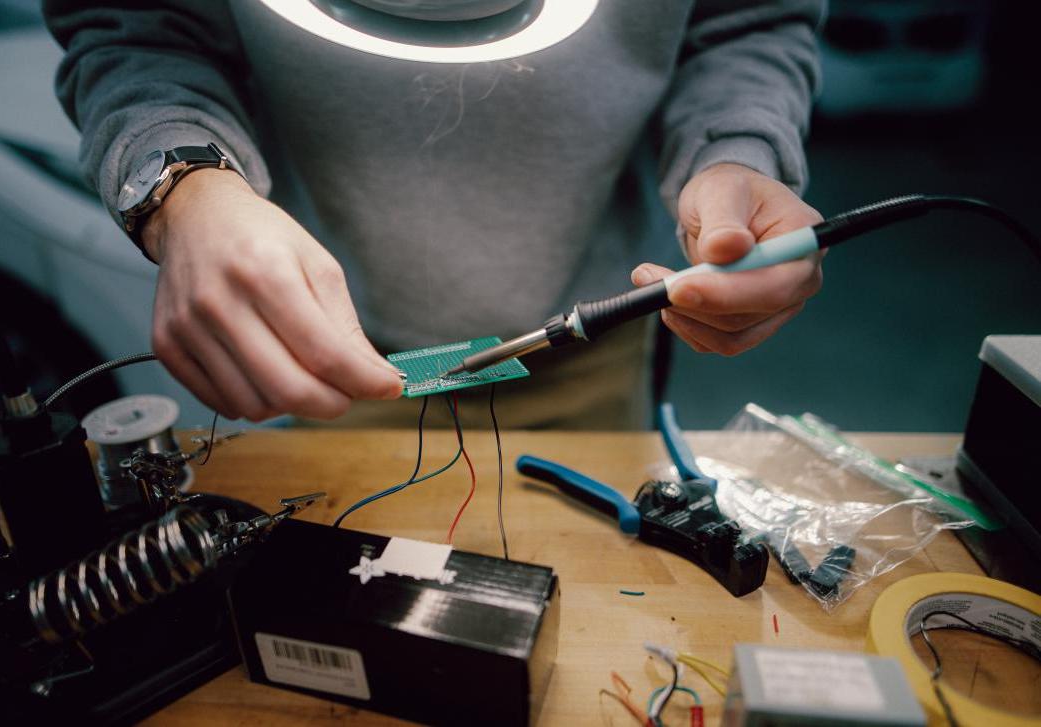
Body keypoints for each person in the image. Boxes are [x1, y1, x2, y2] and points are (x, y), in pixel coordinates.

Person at [43, 1, 824, 429]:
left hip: (593, 345)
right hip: (342, 355)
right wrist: (186, 185)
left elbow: (745, 19)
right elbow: (134, 26)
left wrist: (737, 154)